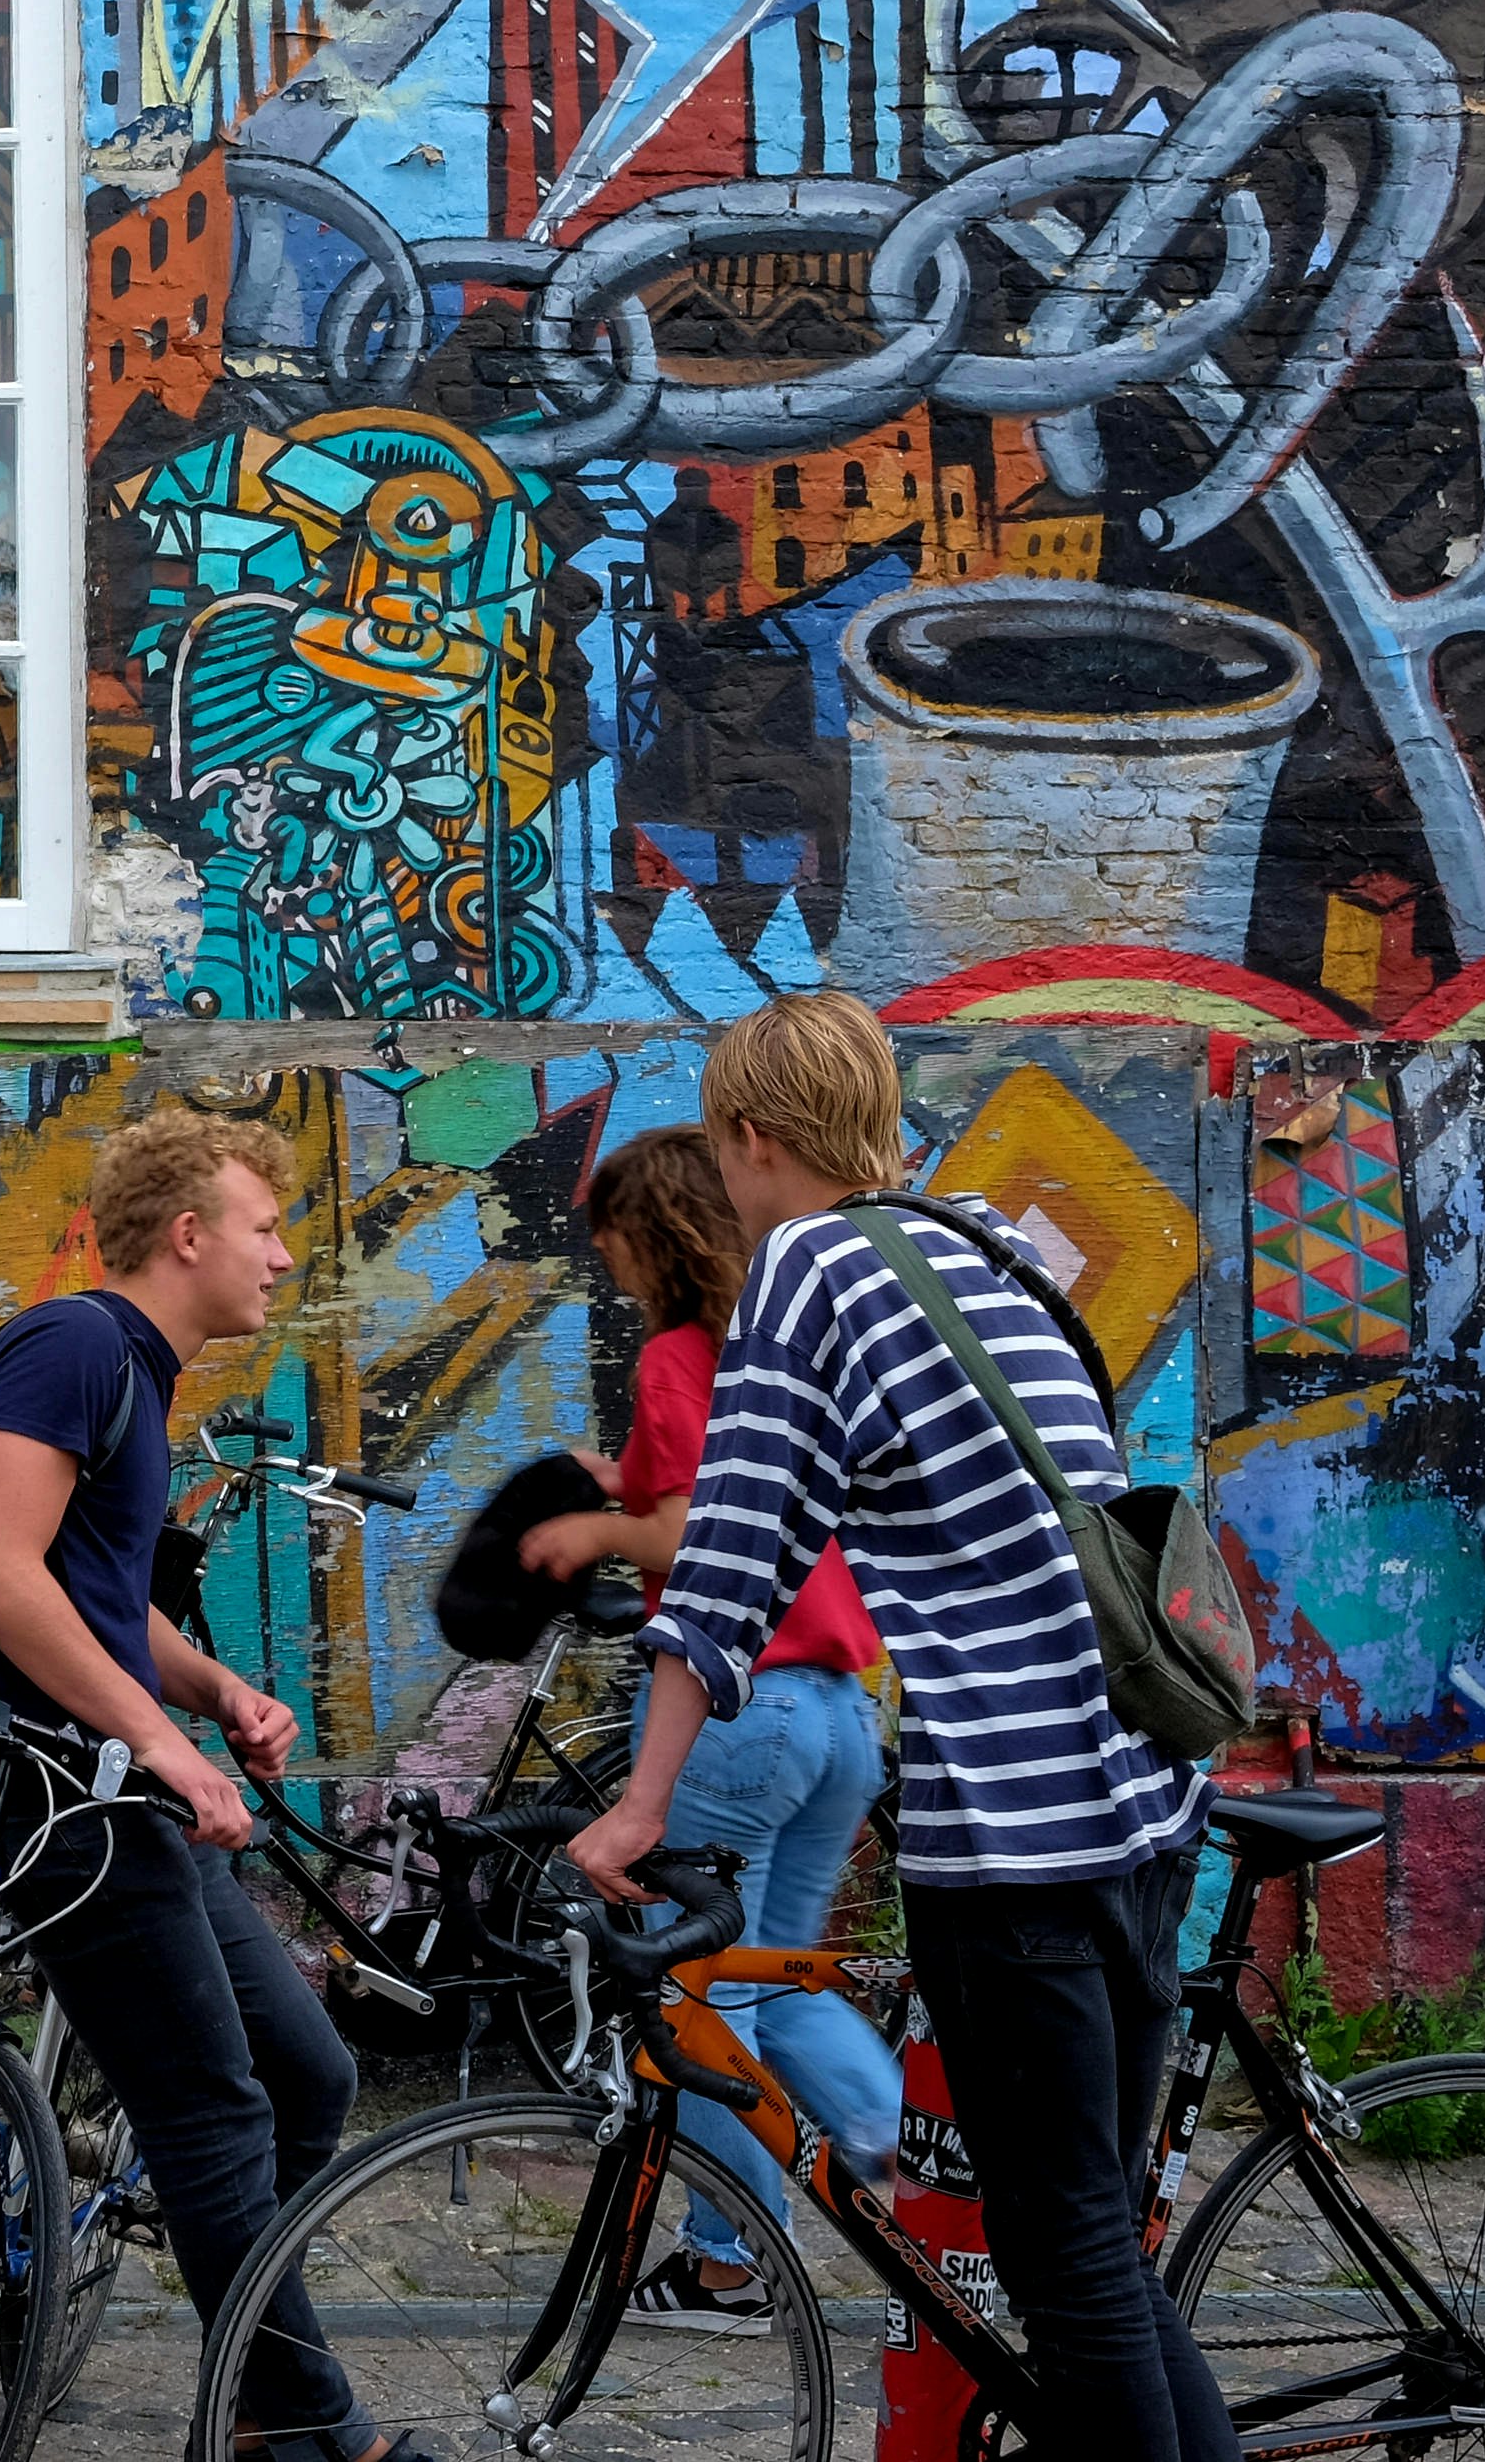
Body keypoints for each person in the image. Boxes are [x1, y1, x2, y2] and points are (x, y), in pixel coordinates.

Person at [567, 996, 1227, 2462]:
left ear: (752, 1136)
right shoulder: (983, 1242)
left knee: (1061, 2261)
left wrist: (636, 1806)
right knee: (1097, 2245)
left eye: (724, 1145)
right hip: (1136, 1807)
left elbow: (727, 1562)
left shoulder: (807, 1262)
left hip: (1016, 1837)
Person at [0, 1108, 396, 2462]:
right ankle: (311, 2426)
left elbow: (97, 1607)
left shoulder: (130, 1371)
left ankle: (258, 2375)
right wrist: (170, 1747)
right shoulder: (74, 1347)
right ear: (187, 1235)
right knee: (211, 2108)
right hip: (46, 1804)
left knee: (305, 2077)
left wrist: (213, 1695)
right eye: (264, 1228)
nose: (285, 1256)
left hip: (115, 1789)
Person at [524, 1123, 901, 2333]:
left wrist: (594, 1538)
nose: (607, 1263)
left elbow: (695, 1537)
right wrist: (603, 1479)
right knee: (774, 1983)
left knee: (694, 1999)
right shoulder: (784, 1352)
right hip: (840, 1714)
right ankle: (914, 2163)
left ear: (658, 1230)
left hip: (742, 1711)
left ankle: (732, 2263)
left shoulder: (686, 1354)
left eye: (613, 1239)